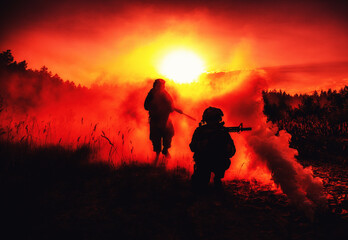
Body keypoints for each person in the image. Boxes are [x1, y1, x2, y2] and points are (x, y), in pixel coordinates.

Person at [190, 107, 236, 191]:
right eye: (211, 119)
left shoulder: (222, 132)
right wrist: (204, 143)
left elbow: (232, 150)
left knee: (224, 162)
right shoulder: (200, 131)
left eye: (215, 119)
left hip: (217, 161)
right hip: (204, 162)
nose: (213, 122)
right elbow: (192, 147)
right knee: (199, 186)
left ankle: (217, 178)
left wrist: (227, 148)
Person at [144, 79, 175, 162]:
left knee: (169, 134)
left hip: (165, 120)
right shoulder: (151, 94)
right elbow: (146, 106)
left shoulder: (165, 94)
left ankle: (165, 150)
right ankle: (157, 159)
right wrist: (155, 107)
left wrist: (169, 108)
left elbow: (171, 106)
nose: (163, 87)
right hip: (155, 120)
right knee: (156, 139)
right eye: (162, 85)